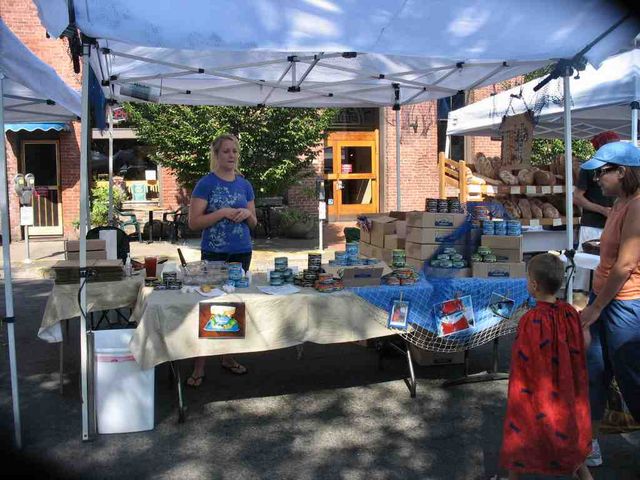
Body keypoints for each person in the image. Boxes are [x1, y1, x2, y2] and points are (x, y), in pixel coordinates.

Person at [500, 253, 592, 480]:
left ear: (533, 284)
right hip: (568, 384)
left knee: (523, 425)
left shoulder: (531, 319)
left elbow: (522, 358)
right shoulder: (570, 312)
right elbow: (584, 343)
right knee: (570, 424)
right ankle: (584, 474)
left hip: (536, 387)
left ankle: (514, 477)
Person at [578, 141, 640, 467]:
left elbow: (626, 265)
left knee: (632, 377)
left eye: (603, 171)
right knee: (593, 370)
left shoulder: (637, 206)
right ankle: (588, 442)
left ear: (623, 172)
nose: (598, 178)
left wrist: (596, 307)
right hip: (602, 299)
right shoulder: (618, 202)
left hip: (625, 306)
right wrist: (594, 301)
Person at [186, 133, 257, 387]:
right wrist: (223, 213)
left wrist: (247, 213)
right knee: (209, 306)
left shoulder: (244, 185)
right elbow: (194, 223)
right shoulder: (206, 184)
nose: (231, 156)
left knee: (233, 304)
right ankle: (199, 364)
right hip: (214, 253)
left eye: (234, 151)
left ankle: (228, 356)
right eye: (226, 151)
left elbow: (254, 222)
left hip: (241, 251)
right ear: (216, 155)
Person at [573, 131, 618, 292]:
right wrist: (602, 210)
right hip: (591, 226)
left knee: (608, 267)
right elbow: (577, 197)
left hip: (613, 226)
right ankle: (579, 301)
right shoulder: (588, 167)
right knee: (584, 271)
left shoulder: (619, 168)